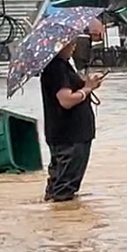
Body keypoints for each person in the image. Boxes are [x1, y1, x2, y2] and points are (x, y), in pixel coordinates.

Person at [40, 39, 106, 202]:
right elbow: (66, 100)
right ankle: (63, 220)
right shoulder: (57, 68)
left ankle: (57, 218)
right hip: (70, 136)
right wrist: (87, 89)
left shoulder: (61, 66)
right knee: (64, 188)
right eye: (71, 43)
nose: (74, 46)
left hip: (66, 134)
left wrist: (88, 84)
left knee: (58, 184)